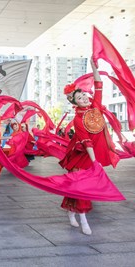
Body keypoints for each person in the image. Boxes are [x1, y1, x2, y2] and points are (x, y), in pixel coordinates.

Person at [59, 59, 119, 235]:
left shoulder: (96, 107)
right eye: (79, 98)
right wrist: (94, 162)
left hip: (93, 156)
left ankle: (71, 212)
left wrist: (94, 68)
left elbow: (99, 85)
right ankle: (84, 220)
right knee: (82, 189)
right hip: (83, 157)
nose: (84, 98)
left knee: (79, 189)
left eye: (84, 95)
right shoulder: (78, 119)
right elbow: (86, 142)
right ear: (75, 103)